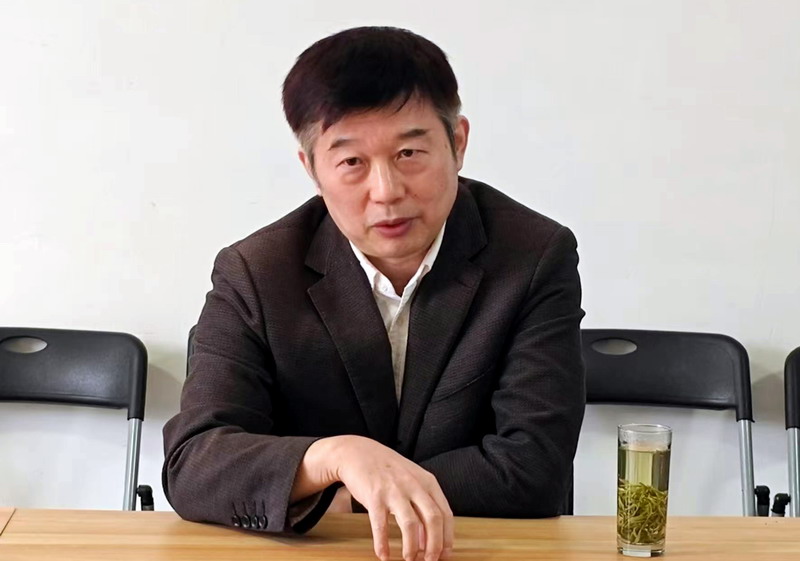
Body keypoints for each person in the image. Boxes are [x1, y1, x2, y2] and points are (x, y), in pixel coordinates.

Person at [162, 26, 586, 561]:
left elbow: (534, 466)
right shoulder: (256, 272)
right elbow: (195, 462)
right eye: (351, 162)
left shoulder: (533, 256)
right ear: (312, 169)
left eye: (409, 152)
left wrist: (351, 498)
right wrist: (335, 459)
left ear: (458, 143)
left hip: (477, 550)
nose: (386, 191)